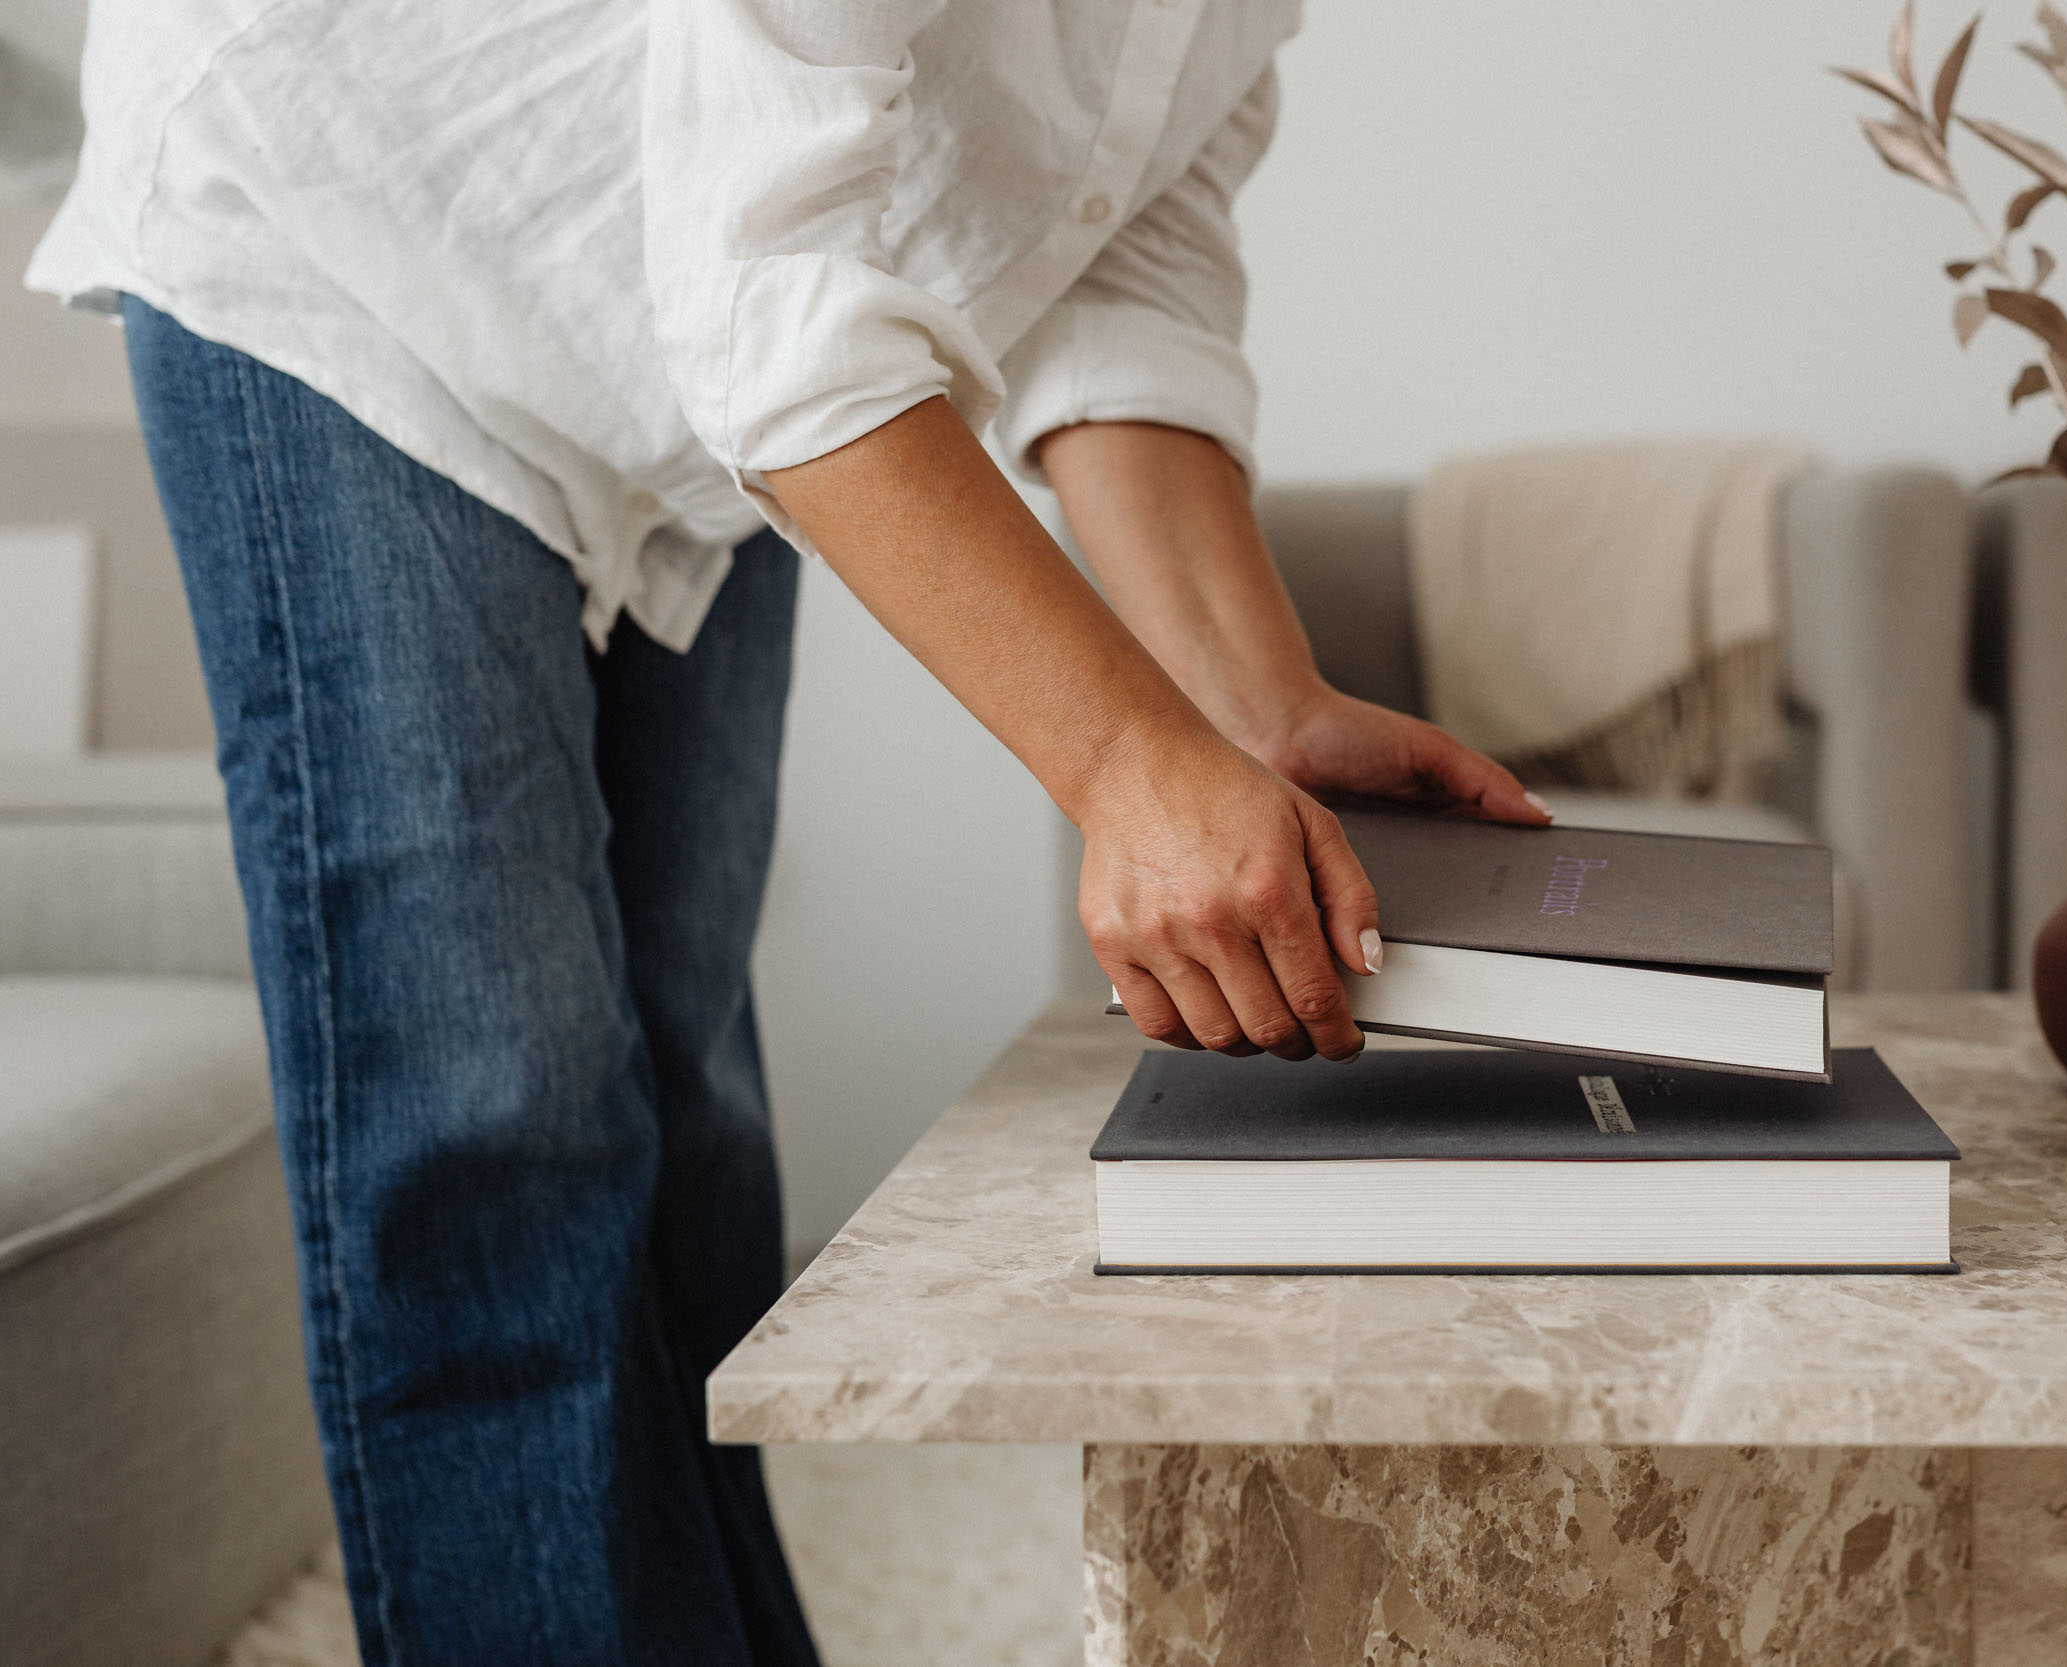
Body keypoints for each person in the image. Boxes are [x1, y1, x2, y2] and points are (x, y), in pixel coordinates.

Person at [32, 0, 1550, 1660]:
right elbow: (771, 290)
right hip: (358, 205)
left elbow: (1121, 234)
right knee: (496, 1111)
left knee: (688, 1101)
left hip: (698, 344)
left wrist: (1247, 699)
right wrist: (1125, 764)